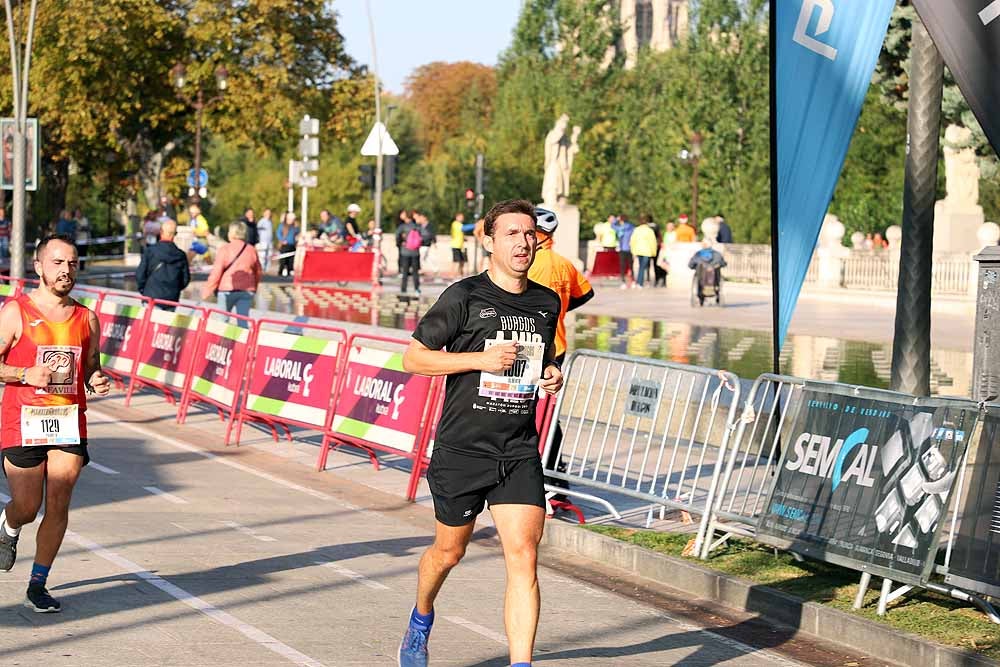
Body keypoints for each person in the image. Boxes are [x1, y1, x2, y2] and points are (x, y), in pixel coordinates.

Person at [398, 199, 563, 667]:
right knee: (449, 553)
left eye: (529, 233)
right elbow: (414, 359)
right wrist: (477, 360)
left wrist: (551, 374)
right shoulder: (463, 296)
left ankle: (521, 663)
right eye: (512, 233)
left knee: (524, 556)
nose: (523, 242)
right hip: (463, 449)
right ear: (489, 241)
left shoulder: (546, 301)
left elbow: (541, 360)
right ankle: (421, 619)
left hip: (517, 449)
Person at [0, 234, 112, 612]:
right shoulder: (16, 311)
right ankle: (9, 525)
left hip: (67, 421)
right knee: (28, 506)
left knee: (59, 503)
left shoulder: (87, 318)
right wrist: (23, 373)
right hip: (22, 421)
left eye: (73, 264)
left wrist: (96, 379)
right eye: (58, 263)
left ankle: (38, 584)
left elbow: (92, 367)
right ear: (39, 267)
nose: (66, 271)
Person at [528, 206, 594, 498]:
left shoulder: (533, 265)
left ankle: (553, 479)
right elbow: (586, 293)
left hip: (536, 347)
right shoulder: (563, 263)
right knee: (544, 412)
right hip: (558, 344)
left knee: (532, 413)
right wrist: (560, 310)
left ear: (540, 234)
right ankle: (554, 478)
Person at [201, 222, 262, 324]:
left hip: (226, 290)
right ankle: (242, 339)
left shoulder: (225, 249)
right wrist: (254, 287)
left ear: (232, 233)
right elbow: (258, 272)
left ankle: (223, 340)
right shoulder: (251, 250)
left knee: (222, 322)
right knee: (243, 321)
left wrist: (207, 290)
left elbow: (216, 272)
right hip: (246, 291)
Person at [135, 220, 191, 308]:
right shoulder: (181, 255)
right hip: (171, 300)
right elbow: (185, 279)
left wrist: (144, 291)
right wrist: (174, 290)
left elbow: (140, 274)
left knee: (150, 321)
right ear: (175, 234)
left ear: (161, 232)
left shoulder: (150, 251)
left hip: (151, 298)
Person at [688, 238, 727, 307]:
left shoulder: (698, 255)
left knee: (698, 274)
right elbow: (723, 264)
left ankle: (701, 297)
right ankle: (717, 296)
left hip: (701, 280)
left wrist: (695, 267)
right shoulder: (717, 254)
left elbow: (690, 265)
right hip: (714, 281)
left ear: (704, 245)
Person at [397, 212, 422, 295]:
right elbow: (423, 236)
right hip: (415, 252)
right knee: (415, 272)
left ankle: (403, 289)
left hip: (405, 252)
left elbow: (397, 236)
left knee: (405, 272)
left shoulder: (402, 227)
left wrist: (400, 244)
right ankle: (417, 289)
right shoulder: (417, 226)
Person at [631, 214, 658, 288]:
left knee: (641, 267)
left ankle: (639, 282)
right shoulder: (649, 231)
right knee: (643, 267)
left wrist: (633, 251)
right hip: (647, 251)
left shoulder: (636, 230)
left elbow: (633, 241)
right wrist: (654, 252)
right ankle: (640, 283)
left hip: (639, 251)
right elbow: (653, 242)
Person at [611, 214, 634, 288]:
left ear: (621, 220)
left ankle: (623, 282)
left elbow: (612, 225)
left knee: (623, 266)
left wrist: (616, 220)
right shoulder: (631, 227)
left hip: (623, 249)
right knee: (631, 266)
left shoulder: (620, 228)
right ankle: (633, 281)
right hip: (630, 249)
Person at [276, 212, 299, 278]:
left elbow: (297, 233)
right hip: (284, 246)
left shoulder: (294, 226)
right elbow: (278, 233)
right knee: (283, 261)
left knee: (290, 261)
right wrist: (282, 240)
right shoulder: (282, 225)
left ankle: (289, 273)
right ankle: (280, 274)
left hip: (292, 246)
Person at [449, 212, 471, 278]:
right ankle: (452, 275)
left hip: (460, 246)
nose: (462, 218)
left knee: (462, 261)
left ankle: (460, 274)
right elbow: (464, 228)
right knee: (456, 261)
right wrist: (475, 225)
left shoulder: (459, 224)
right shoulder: (455, 224)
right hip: (455, 245)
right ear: (457, 217)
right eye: (461, 217)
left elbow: (459, 233)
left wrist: (464, 238)